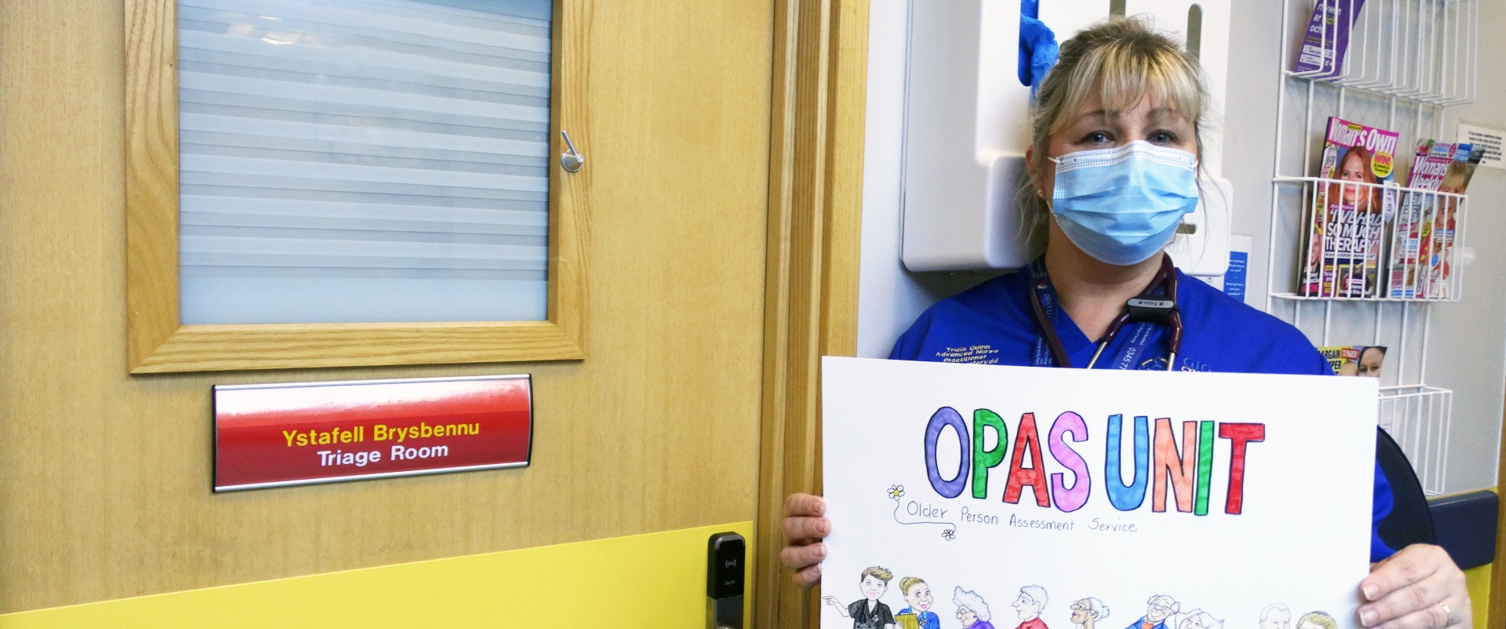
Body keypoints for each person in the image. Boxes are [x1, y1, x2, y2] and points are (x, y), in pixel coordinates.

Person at [779, 16, 1471, 629]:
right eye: (1100, 133)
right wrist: (834, 545)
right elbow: (888, 558)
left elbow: (1369, 574)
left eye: (1163, 133)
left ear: (1193, 164)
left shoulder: (1279, 364)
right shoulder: (937, 346)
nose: (1136, 155)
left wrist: (1434, 593)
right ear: (1042, 170)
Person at [823, 565, 898, 629]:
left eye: (879, 585)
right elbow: (845, 612)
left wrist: (895, 627)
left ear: (885, 588)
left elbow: (888, 626)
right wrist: (835, 602)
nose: (873, 588)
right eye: (868, 583)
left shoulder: (884, 608)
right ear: (861, 585)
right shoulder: (859, 605)